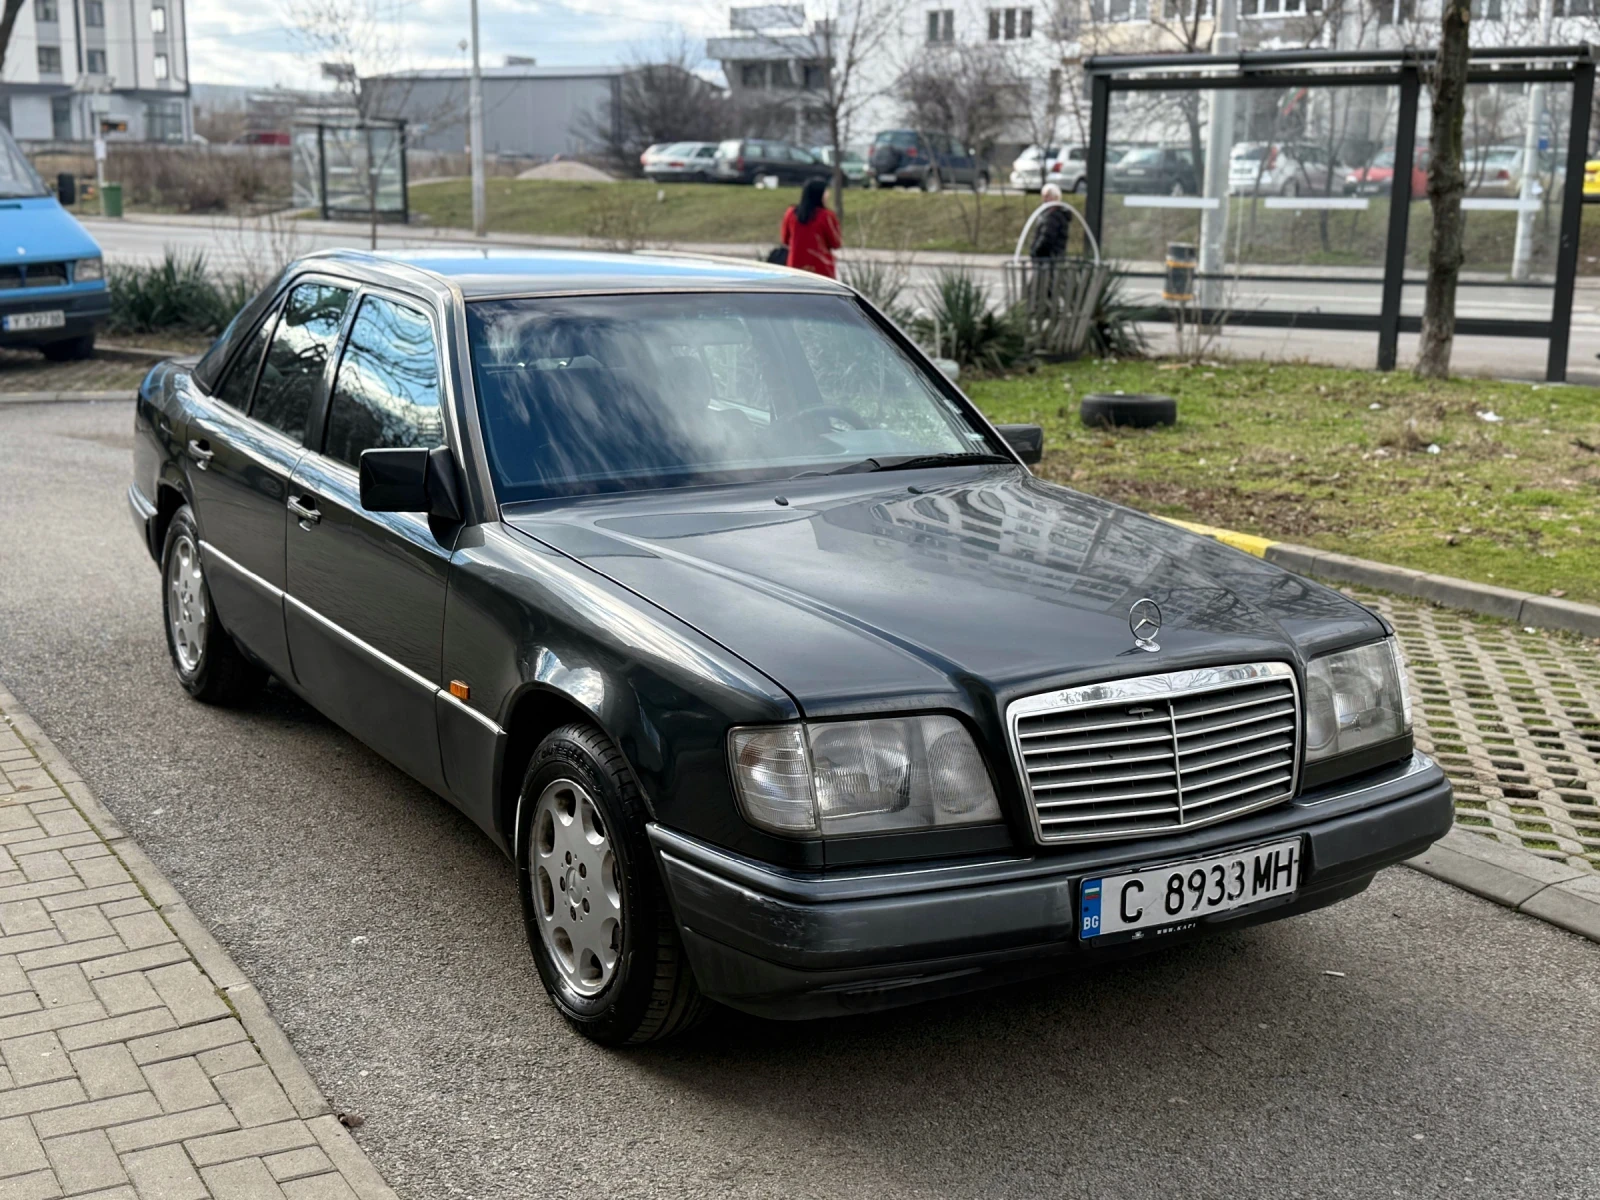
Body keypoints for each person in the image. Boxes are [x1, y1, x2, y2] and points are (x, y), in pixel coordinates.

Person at [779, 178, 842, 279]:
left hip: (795, 265)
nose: (828, 195)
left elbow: (785, 240)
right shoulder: (826, 216)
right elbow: (836, 243)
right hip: (821, 267)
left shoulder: (791, 213)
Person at [1029, 183, 1072, 261]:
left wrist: (1035, 251)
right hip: (1053, 257)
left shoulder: (1053, 217)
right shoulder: (1053, 214)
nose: (1044, 199)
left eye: (1047, 196)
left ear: (1055, 197)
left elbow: (1047, 237)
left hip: (1049, 258)